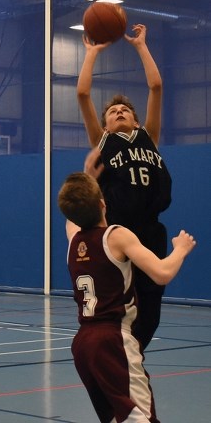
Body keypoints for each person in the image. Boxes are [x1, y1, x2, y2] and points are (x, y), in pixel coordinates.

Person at [58, 171, 196, 423]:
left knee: (117, 418)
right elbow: (162, 273)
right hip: (113, 340)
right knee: (143, 418)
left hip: (83, 345)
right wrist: (180, 249)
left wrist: (88, 173)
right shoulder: (116, 235)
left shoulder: (72, 239)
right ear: (103, 204)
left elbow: (74, 211)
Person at [77, 23, 172, 349]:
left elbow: (157, 86)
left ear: (135, 119)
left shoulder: (150, 137)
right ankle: (118, 357)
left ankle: (132, 357)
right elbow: (83, 94)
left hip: (150, 231)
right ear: (105, 125)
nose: (119, 112)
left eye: (125, 110)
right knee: (121, 306)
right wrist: (91, 54)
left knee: (151, 314)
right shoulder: (102, 141)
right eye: (113, 111)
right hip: (117, 232)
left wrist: (141, 46)